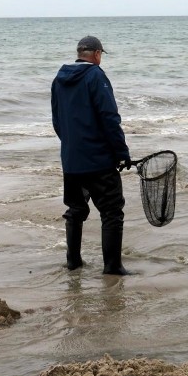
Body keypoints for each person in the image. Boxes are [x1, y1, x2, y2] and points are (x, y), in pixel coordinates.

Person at [51, 36, 132, 275]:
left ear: (79, 53)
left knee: (75, 211)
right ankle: (113, 267)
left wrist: (72, 146)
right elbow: (109, 117)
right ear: (96, 54)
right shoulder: (96, 75)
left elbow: (57, 121)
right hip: (98, 160)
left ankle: (73, 262)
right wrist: (121, 152)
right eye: (101, 55)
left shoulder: (58, 79)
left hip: (71, 160)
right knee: (112, 212)